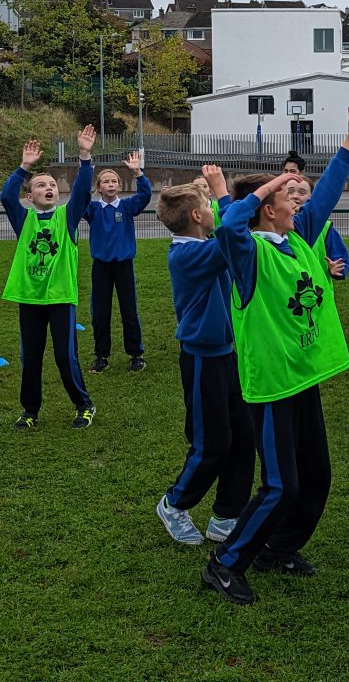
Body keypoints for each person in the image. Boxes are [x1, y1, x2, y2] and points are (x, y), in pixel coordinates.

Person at [202, 102, 349, 605]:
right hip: (272, 383)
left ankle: (277, 548)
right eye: (287, 197)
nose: (297, 202)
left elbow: (322, 198)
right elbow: (227, 226)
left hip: (303, 377)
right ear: (267, 209)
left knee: (316, 477)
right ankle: (224, 562)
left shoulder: (296, 239)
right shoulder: (250, 253)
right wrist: (254, 189)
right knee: (280, 484)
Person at [155, 165, 256, 546]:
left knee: (243, 438)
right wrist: (221, 192)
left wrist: (208, 194)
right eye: (208, 206)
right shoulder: (188, 255)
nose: (214, 208)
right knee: (211, 444)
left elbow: (225, 234)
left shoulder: (202, 245)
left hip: (228, 355)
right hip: (201, 360)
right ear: (197, 217)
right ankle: (174, 503)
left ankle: (226, 517)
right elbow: (232, 232)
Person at [2, 128, 97, 430]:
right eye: (41, 185)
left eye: (53, 185)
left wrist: (84, 156)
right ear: (29, 196)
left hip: (59, 298)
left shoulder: (67, 218)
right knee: (30, 358)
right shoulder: (24, 218)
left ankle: (84, 405)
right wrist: (24, 167)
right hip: (30, 298)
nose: (48, 188)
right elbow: (6, 195)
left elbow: (82, 191)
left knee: (64, 356)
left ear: (58, 193)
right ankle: (30, 411)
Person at [83, 152, 152, 373]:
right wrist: (85, 172)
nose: (110, 184)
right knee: (100, 313)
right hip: (101, 268)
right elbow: (79, 198)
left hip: (124, 267)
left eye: (114, 181)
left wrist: (137, 172)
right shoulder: (92, 209)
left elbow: (146, 194)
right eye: (106, 181)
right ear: (99, 187)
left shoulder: (127, 206)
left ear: (119, 186)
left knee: (129, 311)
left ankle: (136, 354)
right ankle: (101, 355)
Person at [286, 175, 349, 282]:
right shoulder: (274, 225)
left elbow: (341, 259)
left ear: (312, 197)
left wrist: (337, 269)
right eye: (290, 192)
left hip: (318, 292)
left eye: (302, 193)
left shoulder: (325, 228)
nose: (295, 196)